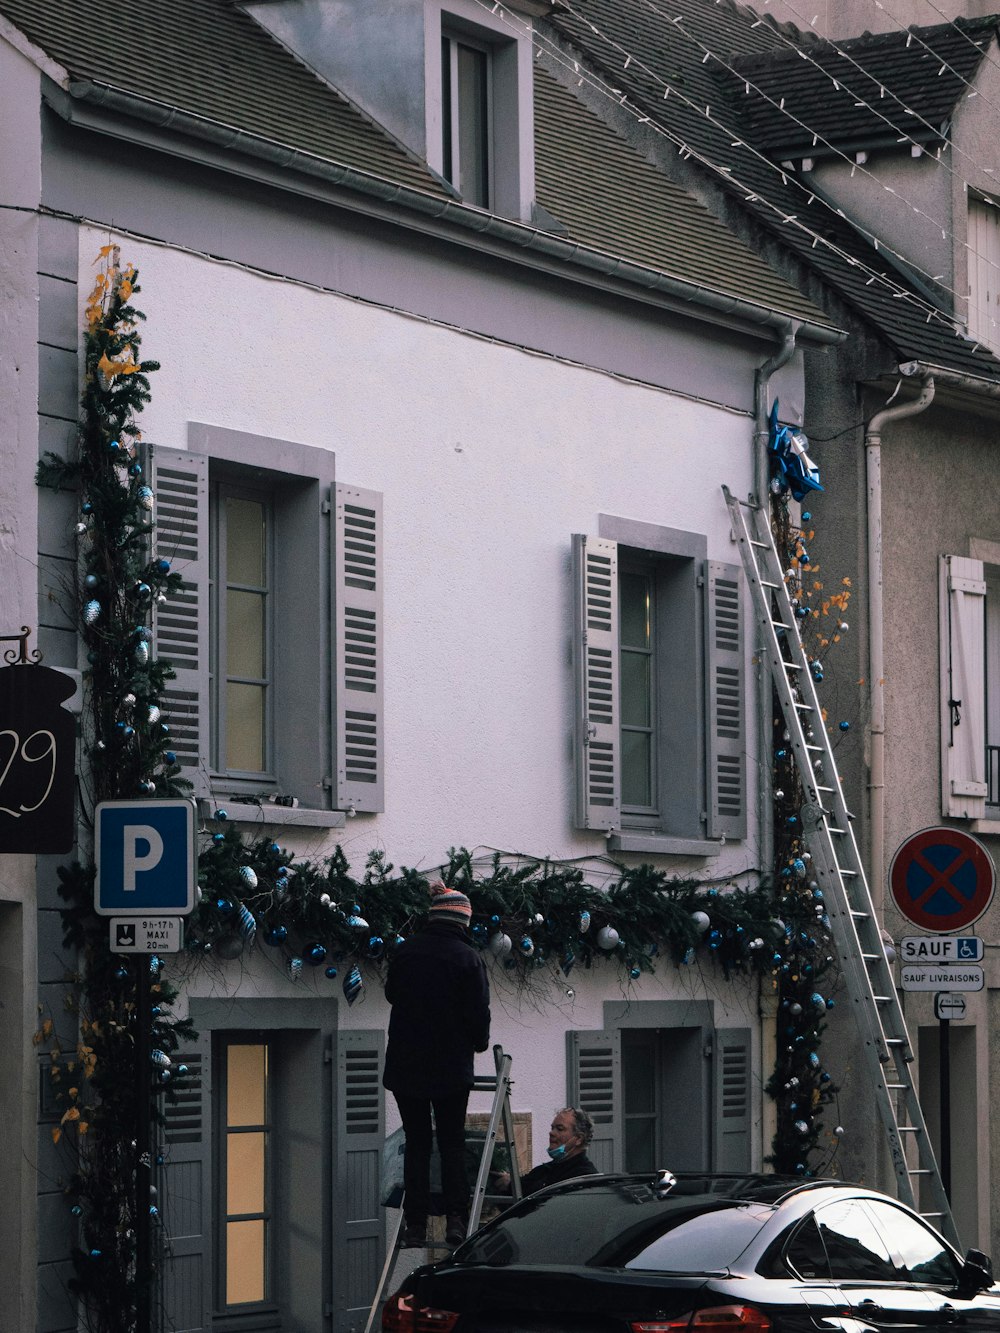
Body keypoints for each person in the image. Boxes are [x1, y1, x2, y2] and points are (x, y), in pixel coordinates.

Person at [382, 881, 491, 1248]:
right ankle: (456, 1220)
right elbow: (478, 1014)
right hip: (449, 1067)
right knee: (451, 1144)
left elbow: (392, 994)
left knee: (416, 1143)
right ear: (461, 921)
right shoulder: (468, 958)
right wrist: (478, 1044)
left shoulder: (406, 951)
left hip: (406, 1064)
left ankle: (415, 1224)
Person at [494, 1106, 599, 1197]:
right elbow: (522, 1188)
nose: (551, 1133)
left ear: (579, 1139)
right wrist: (508, 1183)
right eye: (552, 1128)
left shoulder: (585, 1177)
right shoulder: (543, 1170)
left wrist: (511, 1184)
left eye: (560, 1129)